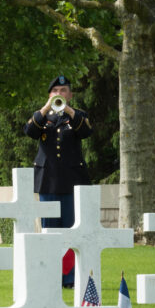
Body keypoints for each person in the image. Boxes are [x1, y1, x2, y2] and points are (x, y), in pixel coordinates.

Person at [24, 76, 93, 286]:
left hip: (72, 184)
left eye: (64, 90)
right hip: (47, 183)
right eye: (55, 91)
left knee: (70, 231)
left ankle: (69, 278)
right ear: (49, 95)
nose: (59, 94)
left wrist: (69, 110)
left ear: (70, 95)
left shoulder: (76, 117)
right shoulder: (43, 118)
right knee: (49, 231)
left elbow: (86, 131)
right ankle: (50, 276)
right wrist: (46, 108)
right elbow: (29, 131)